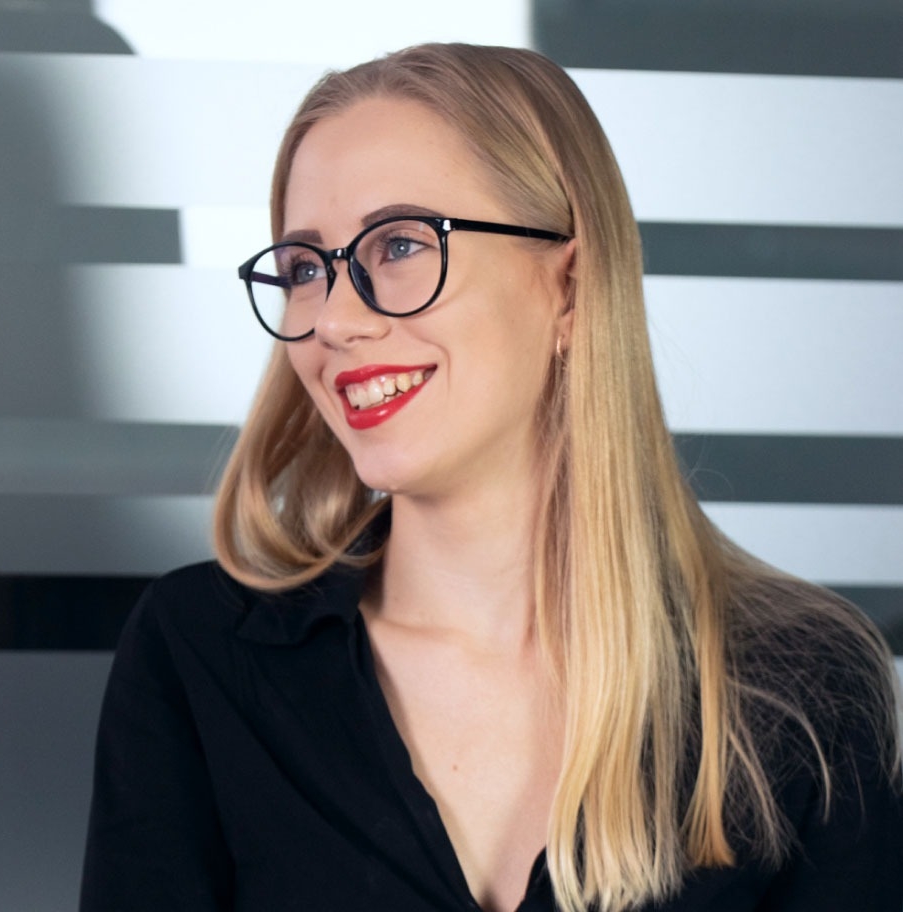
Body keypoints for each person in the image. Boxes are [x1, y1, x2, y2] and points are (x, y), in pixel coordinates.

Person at [79, 44, 902, 912]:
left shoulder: (798, 692)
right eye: (304, 269)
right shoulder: (200, 654)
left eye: (398, 245)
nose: (335, 320)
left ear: (571, 286)